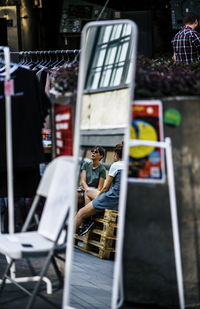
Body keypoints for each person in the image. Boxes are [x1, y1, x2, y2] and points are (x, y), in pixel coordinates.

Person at [76, 143, 124, 236]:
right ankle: (89, 219)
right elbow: (83, 180)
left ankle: (68, 239)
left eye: (96, 152)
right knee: (87, 191)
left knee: (80, 213)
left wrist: (98, 197)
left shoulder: (116, 165)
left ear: (116, 154)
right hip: (121, 200)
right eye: (92, 151)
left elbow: (105, 187)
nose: (93, 153)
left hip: (112, 198)